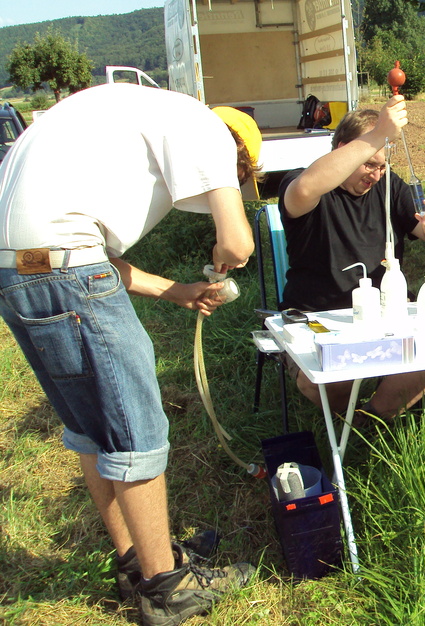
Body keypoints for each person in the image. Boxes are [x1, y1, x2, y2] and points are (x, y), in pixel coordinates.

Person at [0, 84, 258, 626]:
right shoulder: (209, 129)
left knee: (94, 427)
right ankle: (168, 590)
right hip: (66, 259)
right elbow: (238, 243)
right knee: (137, 425)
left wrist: (178, 290)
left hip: (17, 266)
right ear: (239, 159)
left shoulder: (128, 117)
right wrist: (221, 258)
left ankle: (137, 564)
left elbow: (88, 260)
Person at [278, 97, 425, 418]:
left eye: (383, 165)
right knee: (327, 379)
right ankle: (343, 418)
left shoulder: (388, 185)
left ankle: (369, 419)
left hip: (387, 315)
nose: (376, 175)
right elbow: (302, 191)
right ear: (345, 149)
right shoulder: (308, 183)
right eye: (369, 163)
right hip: (322, 317)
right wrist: (376, 135)